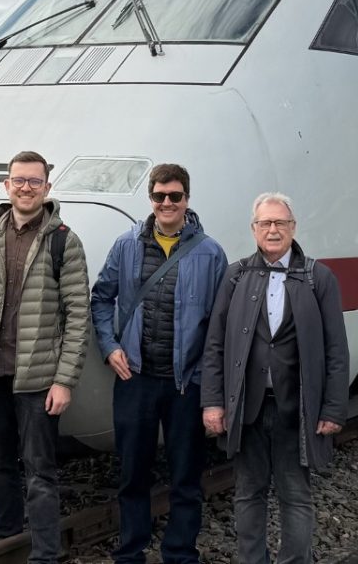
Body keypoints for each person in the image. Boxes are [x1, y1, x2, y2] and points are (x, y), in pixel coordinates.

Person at [90, 164, 228, 564]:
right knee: (133, 473)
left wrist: (208, 376)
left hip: (186, 383)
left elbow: (218, 323)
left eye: (175, 196)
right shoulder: (126, 244)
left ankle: (180, 553)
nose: (166, 203)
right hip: (135, 378)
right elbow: (101, 298)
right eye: (159, 196)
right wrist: (109, 345)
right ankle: (130, 552)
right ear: (150, 198)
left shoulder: (209, 252)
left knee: (186, 476)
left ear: (187, 199)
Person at [201, 193, 349, 564]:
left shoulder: (318, 277)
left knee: (295, 494)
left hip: (296, 408)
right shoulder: (236, 276)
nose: (272, 230)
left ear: (293, 228)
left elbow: (336, 349)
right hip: (246, 408)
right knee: (248, 492)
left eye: (280, 223)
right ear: (253, 230)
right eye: (265, 223)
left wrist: (332, 409)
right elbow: (215, 344)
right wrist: (213, 402)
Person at [0, 150, 91, 564]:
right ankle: (7, 538)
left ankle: (45, 553)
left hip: (38, 379)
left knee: (40, 471)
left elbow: (77, 315)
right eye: (19, 180)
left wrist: (64, 380)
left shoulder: (63, 240)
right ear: (7, 184)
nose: (26, 188)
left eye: (35, 181)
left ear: (47, 188)